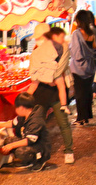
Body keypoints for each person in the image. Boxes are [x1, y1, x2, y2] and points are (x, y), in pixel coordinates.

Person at [28, 25, 74, 164]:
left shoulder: (61, 49)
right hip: (41, 93)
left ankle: (69, 151)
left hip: (56, 93)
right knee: (37, 124)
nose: (38, 41)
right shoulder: (36, 52)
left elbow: (62, 67)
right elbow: (34, 77)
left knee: (63, 122)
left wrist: (53, 77)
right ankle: (40, 151)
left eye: (40, 38)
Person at [1, 92, 50, 171]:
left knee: (20, 151)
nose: (15, 109)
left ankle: (38, 161)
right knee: (8, 141)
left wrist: (11, 146)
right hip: (30, 143)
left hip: (39, 147)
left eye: (16, 107)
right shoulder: (24, 116)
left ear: (22, 108)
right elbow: (12, 123)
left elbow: (29, 140)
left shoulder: (35, 120)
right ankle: (27, 161)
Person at [69, 10, 96, 126]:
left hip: (78, 68)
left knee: (79, 93)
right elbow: (95, 48)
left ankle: (80, 118)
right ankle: (86, 116)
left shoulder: (76, 34)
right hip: (90, 66)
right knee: (87, 92)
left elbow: (76, 53)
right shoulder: (92, 33)